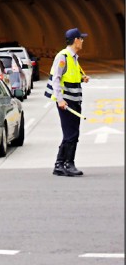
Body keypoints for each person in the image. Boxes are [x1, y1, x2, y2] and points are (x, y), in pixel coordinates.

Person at [44, 28, 90, 177]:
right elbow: (56, 78)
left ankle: (59, 164)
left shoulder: (74, 58)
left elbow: (69, 76)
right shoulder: (63, 56)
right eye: (81, 39)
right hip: (67, 102)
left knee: (71, 134)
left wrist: (82, 78)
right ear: (76, 40)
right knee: (71, 134)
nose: (82, 41)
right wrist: (60, 100)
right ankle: (68, 164)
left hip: (74, 100)